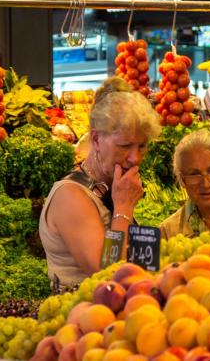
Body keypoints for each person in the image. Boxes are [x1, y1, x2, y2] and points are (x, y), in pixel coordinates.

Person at [39, 77, 161, 287]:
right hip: (82, 314)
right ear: (96, 140)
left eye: (142, 146)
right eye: (125, 146)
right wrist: (123, 207)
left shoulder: (108, 185)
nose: (135, 158)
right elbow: (107, 274)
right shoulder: (70, 196)